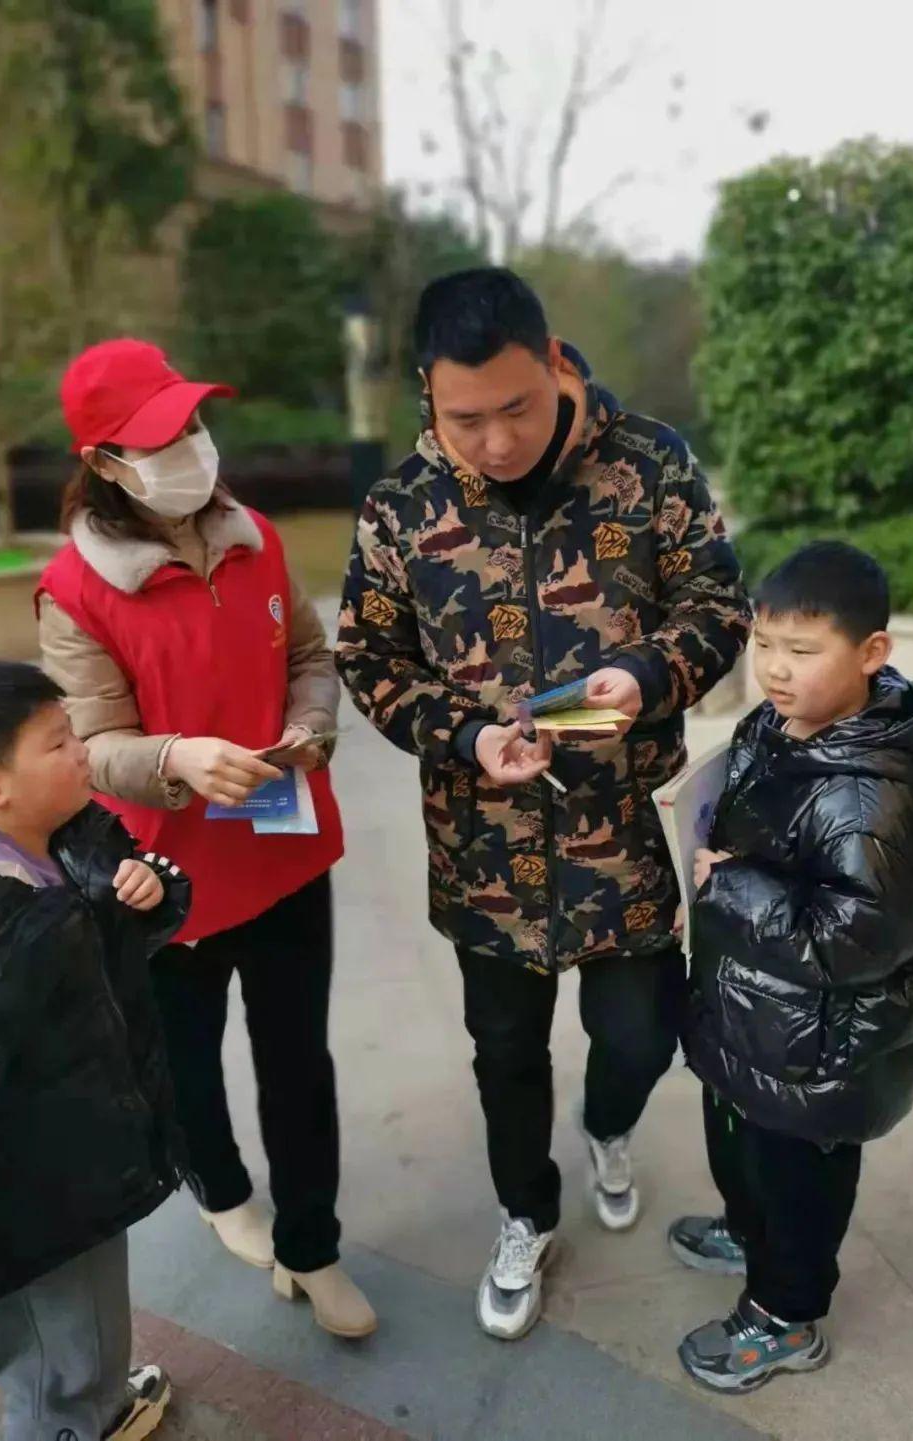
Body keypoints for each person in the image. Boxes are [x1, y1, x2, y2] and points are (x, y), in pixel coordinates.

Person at [336, 267, 751, 1340]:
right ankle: (525, 1212)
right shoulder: (399, 508)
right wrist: (467, 736)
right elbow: (369, 656)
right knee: (505, 1054)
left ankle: (608, 1123)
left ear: (557, 361)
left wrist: (652, 675)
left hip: (626, 838)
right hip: (486, 853)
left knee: (641, 1035)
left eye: (516, 407)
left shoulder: (650, 463)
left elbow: (719, 602)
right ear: (426, 396)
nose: (496, 441)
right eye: (463, 417)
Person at [36, 338, 376, 1340]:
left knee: (299, 1061)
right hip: (166, 875)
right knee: (187, 1061)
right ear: (103, 463)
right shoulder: (76, 590)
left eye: (190, 423)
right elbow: (89, 748)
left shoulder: (256, 537)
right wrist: (177, 756)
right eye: (156, 438)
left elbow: (310, 657)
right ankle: (222, 1188)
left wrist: (310, 730)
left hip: (280, 839)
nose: (188, 447)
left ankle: (314, 1248)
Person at [673, 541, 913, 1394]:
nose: (776, 671)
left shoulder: (869, 795)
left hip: (817, 1052)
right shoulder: (775, 724)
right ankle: (750, 1232)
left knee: (799, 1176)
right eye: (765, 644)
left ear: (871, 653)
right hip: (753, 1014)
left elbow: (853, 941)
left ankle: (787, 1314)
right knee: (742, 1150)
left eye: (803, 651)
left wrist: (730, 887)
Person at [0, 659, 190, 1440]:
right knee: (60, 1326)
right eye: (59, 742)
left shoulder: (65, 832)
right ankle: (75, 1420)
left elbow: (121, 935)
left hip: (71, 1157)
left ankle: (84, 1399)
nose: (84, 750)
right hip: (35, 1188)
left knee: (63, 1326)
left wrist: (152, 888)